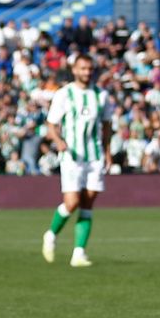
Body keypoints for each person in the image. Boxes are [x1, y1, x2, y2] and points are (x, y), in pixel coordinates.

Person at [41, 54, 114, 267]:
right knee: (72, 202)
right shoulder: (64, 94)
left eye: (90, 69)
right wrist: (58, 141)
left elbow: (107, 125)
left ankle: (79, 253)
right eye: (83, 68)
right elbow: (51, 124)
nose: (87, 72)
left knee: (88, 201)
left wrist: (108, 152)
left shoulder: (101, 95)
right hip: (72, 155)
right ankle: (51, 234)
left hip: (95, 155)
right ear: (75, 70)